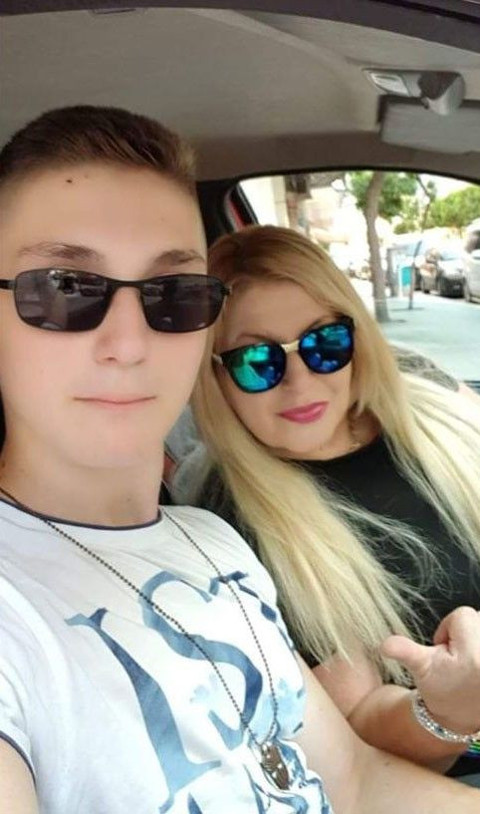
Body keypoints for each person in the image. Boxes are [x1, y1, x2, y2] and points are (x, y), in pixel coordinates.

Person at [1, 107, 479, 814]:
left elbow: (356, 783)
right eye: (64, 288)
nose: (130, 343)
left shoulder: (212, 544)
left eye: (173, 294)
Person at [183, 224, 480, 784]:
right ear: (214, 376)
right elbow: (357, 732)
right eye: (256, 361)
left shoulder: (433, 406)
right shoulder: (232, 526)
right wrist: (451, 711)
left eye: (325, 344)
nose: (299, 383)